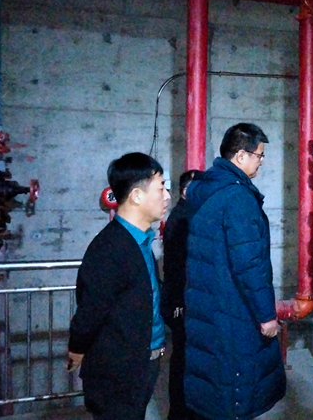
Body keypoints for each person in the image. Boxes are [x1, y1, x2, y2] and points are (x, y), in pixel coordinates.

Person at [183, 123, 286, 420]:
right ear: (241, 156)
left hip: (208, 304)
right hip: (234, 308)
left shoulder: (206, 191)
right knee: (236, 385)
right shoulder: (238, 199)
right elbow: (249, 264)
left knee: (213, 377)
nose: (261, 162)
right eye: (259, 155)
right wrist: (266, 315)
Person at [67, 152, 171, 420]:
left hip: (141, 365)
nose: (167, 196)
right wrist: (77, 347)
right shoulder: (110, 248)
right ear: (136, 196)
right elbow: (91, 310)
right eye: (161, 188)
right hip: (118, 372)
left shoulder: (140, 241)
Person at [161, 168, 201, 420]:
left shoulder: (183, 215)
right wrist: (180, 302)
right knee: (184, 359)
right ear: (187, 191)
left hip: (180, 299)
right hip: (182, 301)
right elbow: (179, 267)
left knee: (183, 356)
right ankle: (181, 412)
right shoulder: (185, 219)